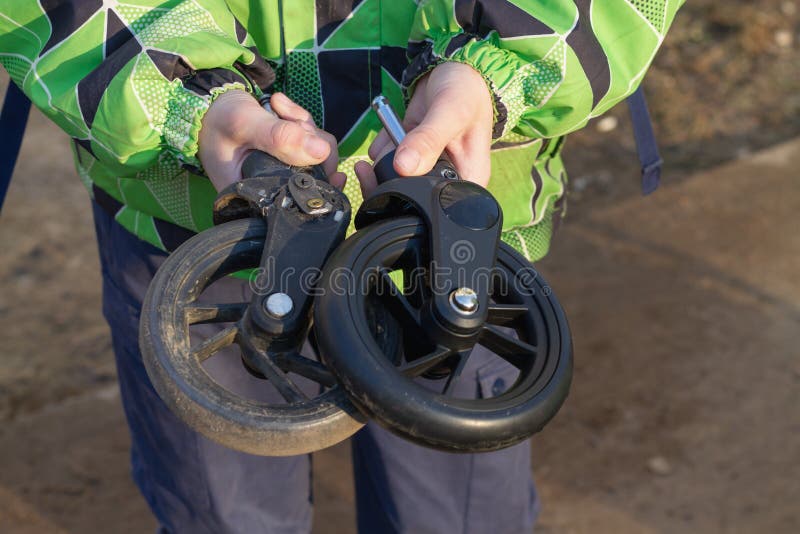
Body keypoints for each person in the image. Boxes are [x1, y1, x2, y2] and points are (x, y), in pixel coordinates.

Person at [0, 1, 683, 532]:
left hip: (445, 233)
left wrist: (498, 75)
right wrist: (181, 100)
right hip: (209, 227)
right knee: (223, 518)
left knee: (459, 521)